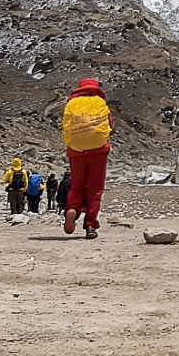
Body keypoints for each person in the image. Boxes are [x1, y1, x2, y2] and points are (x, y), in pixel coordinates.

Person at [61, 77, 113, 239]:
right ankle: (90, 225)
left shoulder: (72, 104)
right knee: (94, 189)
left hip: (76, 151)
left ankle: (72, 210)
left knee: (77, 186)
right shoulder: (100, 103)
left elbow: (65, 125)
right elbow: (110, 125)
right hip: (98, 150)